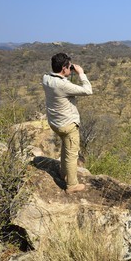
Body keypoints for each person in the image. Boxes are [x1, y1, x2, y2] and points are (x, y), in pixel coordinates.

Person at [42, 53, 93, 194]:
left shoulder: (46, 78)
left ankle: (63, 172)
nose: (71, 69)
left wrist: (68, 73)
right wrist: (81, 73)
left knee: (66, 146)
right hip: (68, 125)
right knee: (72, 154)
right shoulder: (63, 85)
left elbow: (61, 80)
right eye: (69, 67)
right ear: (64, 68)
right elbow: (88, 91)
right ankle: (72, 185)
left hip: (55, 123)